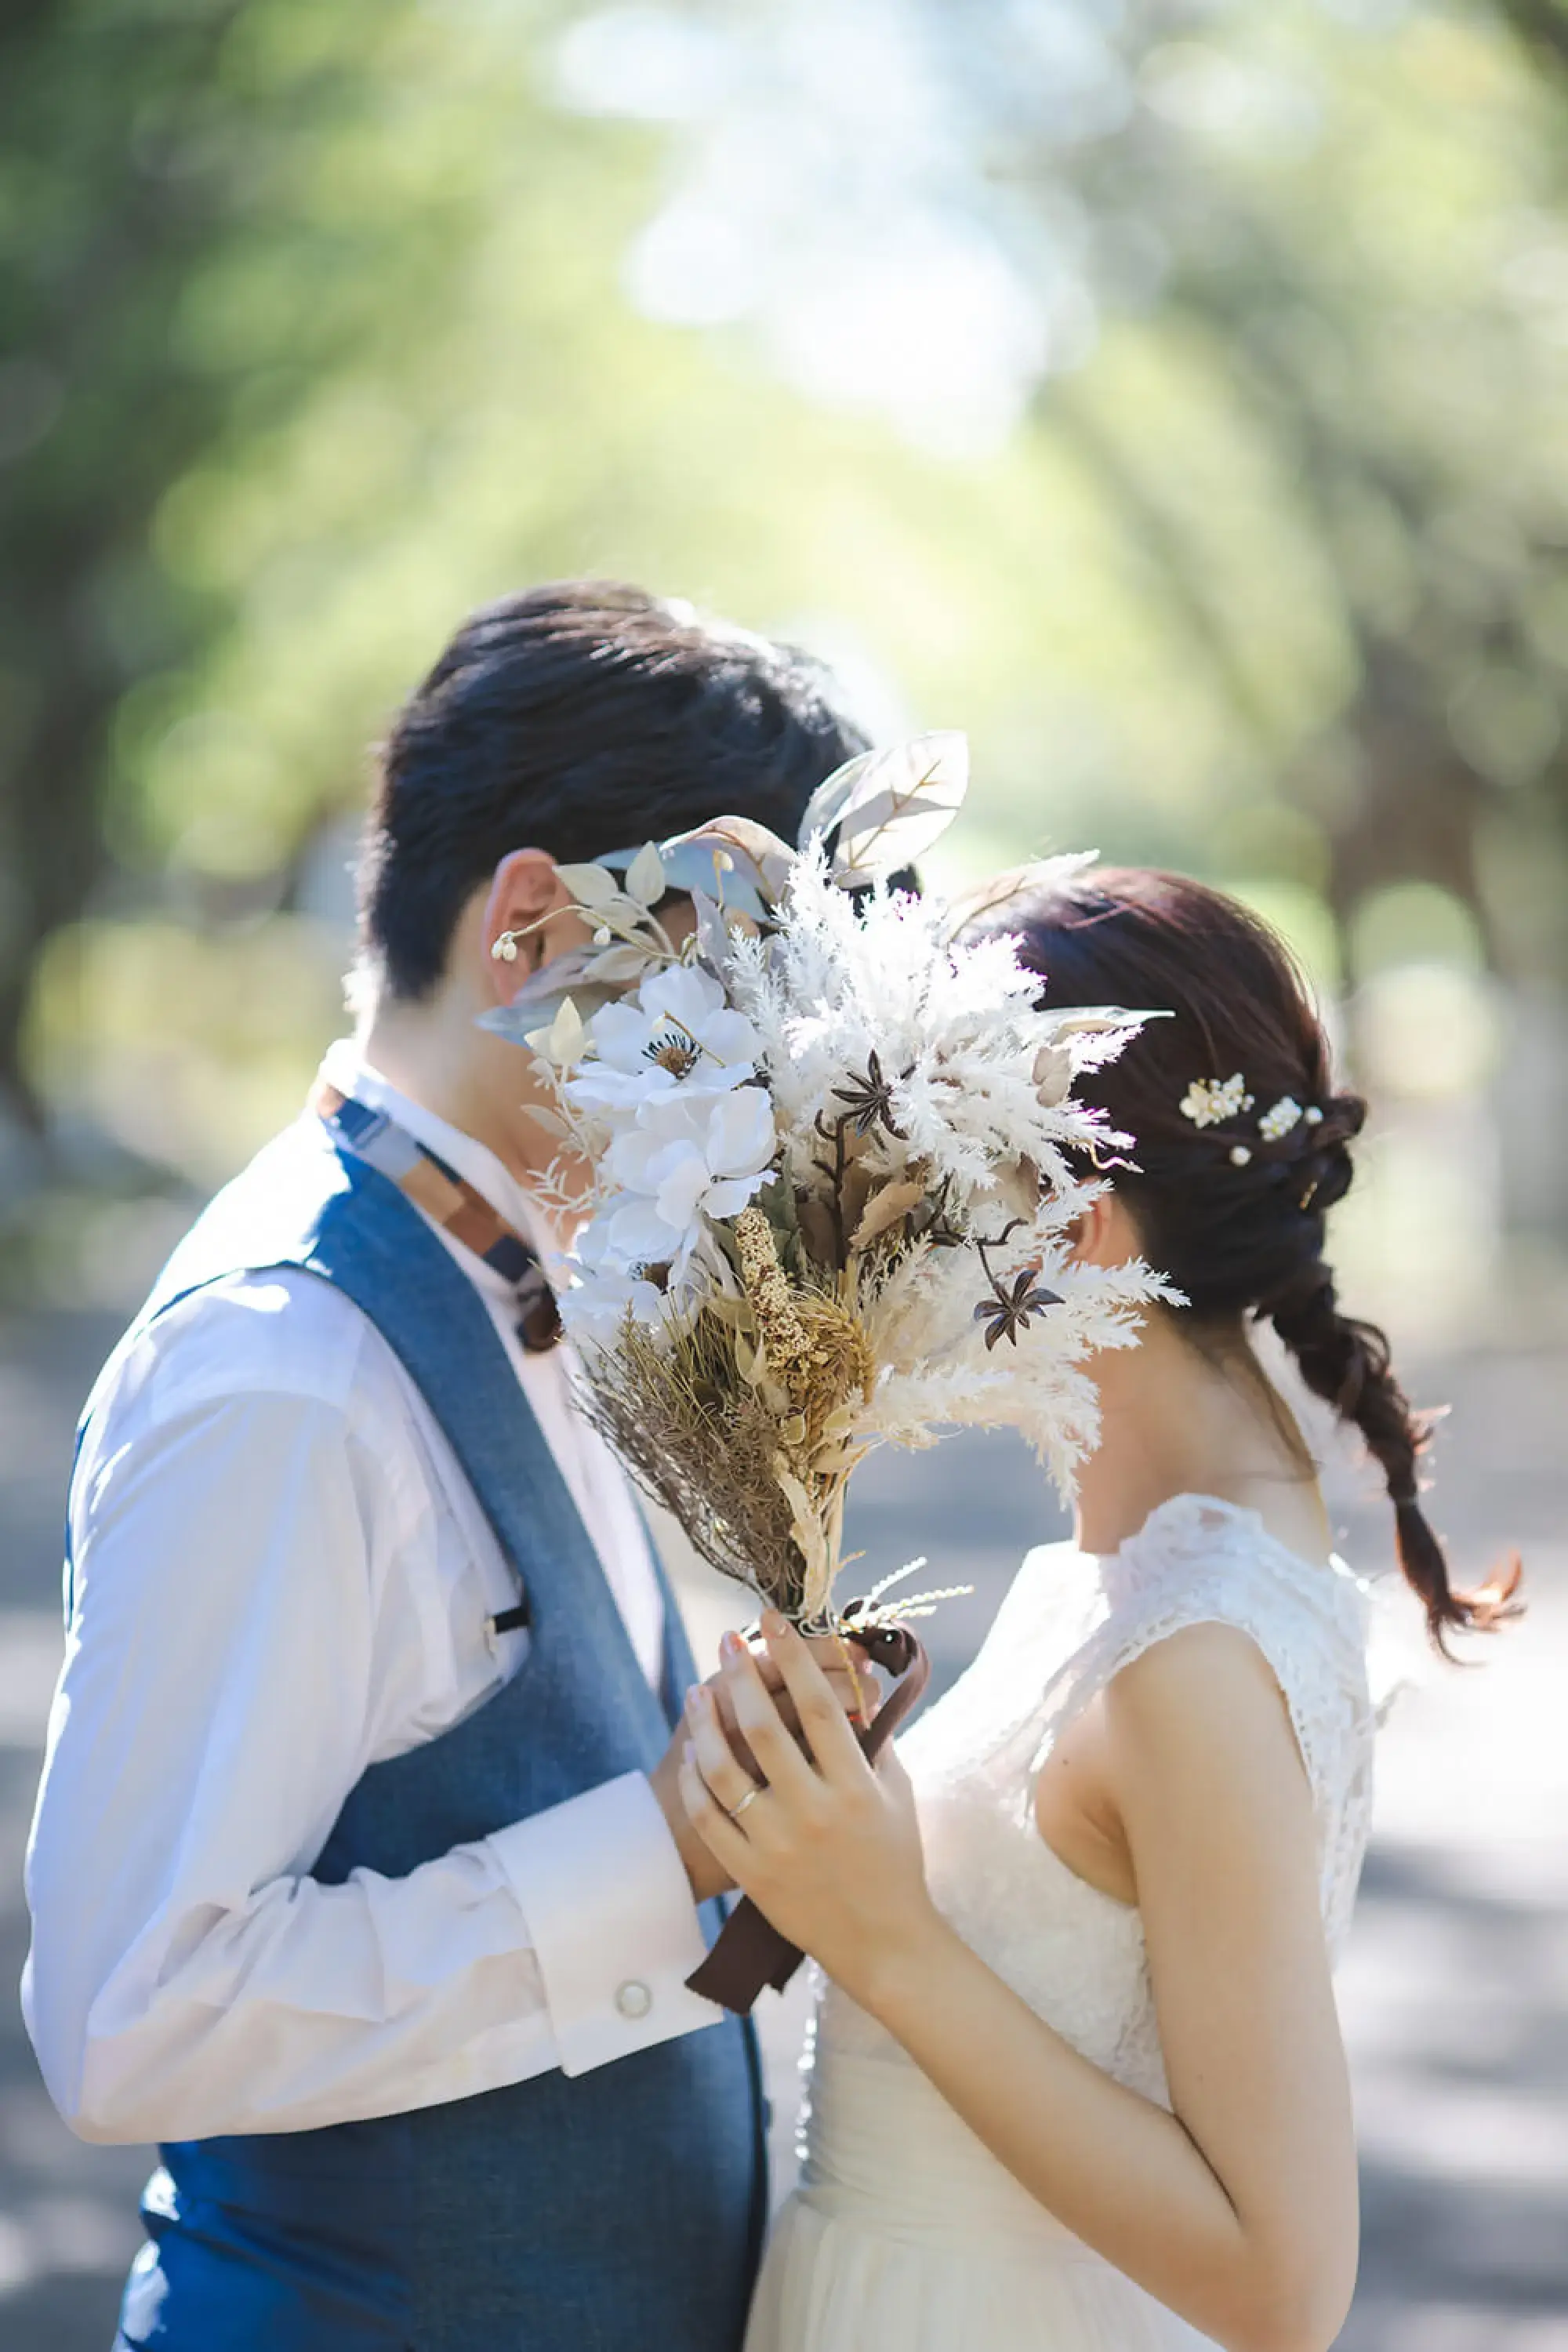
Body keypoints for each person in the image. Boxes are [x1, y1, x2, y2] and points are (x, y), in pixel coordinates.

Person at [23, 580, 873, 2352]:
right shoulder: (285, 1370)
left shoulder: (553, 1286)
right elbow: (130, 2018)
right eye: (743, 982)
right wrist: (652, 1842)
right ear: (534, 924)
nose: (782, 1071)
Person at [679, 866, 1518, 2352]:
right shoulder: (1119, 1566)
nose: (874, 1255)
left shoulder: (1189, 1652)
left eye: (919, 1191)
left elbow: (1284, 2285)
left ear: (1075, 1225)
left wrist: (882, 1935)